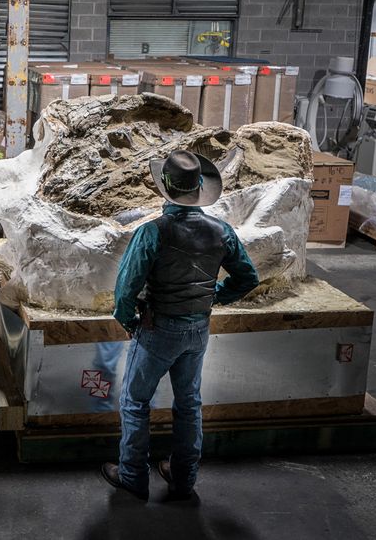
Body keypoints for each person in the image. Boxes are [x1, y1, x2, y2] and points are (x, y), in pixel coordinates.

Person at [100, 149, 260, 501]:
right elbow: (248, 277)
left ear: (166, 189)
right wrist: (213, 296)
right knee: (189, 404)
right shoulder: (222, 231)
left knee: (135, 402)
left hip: (158, 330)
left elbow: (126, 289)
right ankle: (183, 477)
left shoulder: (152, 232)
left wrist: (129, 320)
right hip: (198, 329)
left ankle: (132, 477)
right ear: (199, 188)